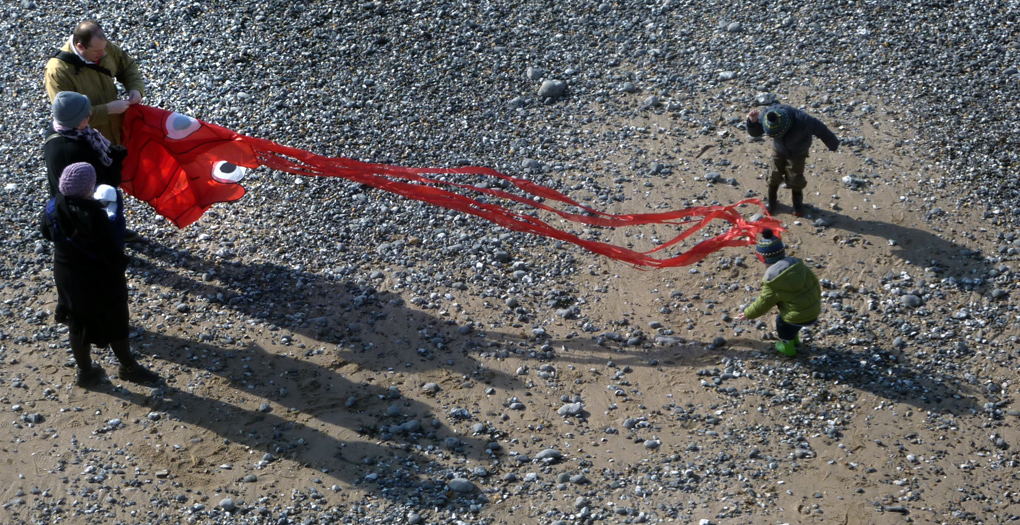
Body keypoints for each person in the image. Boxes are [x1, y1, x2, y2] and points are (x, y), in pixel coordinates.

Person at [40, 162, 160, 387]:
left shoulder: (53, 205)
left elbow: (45, 233)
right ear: (88, 188)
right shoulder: (94, 214)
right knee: (116, 322)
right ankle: (128, 368)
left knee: (78, 324)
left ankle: (85, 372)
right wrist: (123, 264)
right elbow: (111, 252)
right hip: (99, 279)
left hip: (67, 275)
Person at [45, 20, 144, 241]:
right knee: (90, 188)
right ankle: (95, 236)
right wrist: (106, 110)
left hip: (108, 134)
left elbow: (127, 66)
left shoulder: (104, 48)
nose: (103, 55)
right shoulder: (57, 71)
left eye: (104, 49)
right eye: (97, 52)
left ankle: (112, 224)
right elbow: (67, 115)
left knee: (109, 184)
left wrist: (135, 88)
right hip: (84, 140)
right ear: (80, 46)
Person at [736, 229, 821, 357]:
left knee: (782, 324)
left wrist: (748, 313)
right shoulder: (800, 267)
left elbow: (763, 302)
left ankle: (788, 347)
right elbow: (816, 284)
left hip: (797, 316)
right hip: (814, 310)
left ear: (763, 259)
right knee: (794, 322)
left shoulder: (773, 282)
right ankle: (795, 340)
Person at [746, 104, 840, 216]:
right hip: (779, 149)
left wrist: (833, 145)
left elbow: (822, 131)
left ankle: (797, 202)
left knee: (795, 177)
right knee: (773, 174)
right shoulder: (768, 115)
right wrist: (753, 121)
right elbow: (756, 132)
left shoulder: (804, 120)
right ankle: (771, 200)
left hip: (798, 151)